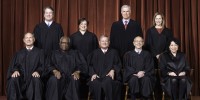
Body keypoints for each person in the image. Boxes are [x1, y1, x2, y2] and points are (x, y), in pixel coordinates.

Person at [6, 32, 44, 100]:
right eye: (26, 38)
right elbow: (14, 65)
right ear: (24, 40)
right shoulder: (19, 53)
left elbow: (43, 65)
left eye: (30, 38)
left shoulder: (40, 52)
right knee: (13, 79)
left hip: (33, 78)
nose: (28, 39)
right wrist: (15, 70)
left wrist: (38, 71)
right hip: (21, 78)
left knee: (37, 80)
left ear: (34, 39)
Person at [145, 12, 173, 100]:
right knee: (154, 77)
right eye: (156, 18)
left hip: (165, 58)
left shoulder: (168, 31)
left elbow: (170, 45)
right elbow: (148, 44)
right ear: (154, 20)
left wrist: (162, 55)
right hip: (152, 58)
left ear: (162, 20)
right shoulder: (150, 31)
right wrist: (156, 55)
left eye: (160, 18)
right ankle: (154, 96)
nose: (158, 20)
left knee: (164, 76)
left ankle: (166, 96)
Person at [70, 18, 98, 99]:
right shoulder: (73, 36)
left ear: (87, 25)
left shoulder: (92, 36)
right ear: (78, 25)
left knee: (88, 81)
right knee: (77, 81)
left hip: (89, 62)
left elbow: (96, 51)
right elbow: (71, 52)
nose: (83, 26)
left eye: (85, 24)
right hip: (77, 64)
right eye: (82, 24)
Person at [87, 35, 122, 100]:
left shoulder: (114, 52)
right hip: (97, 76)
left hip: (109, 77)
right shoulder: (94, 53)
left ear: (109, 42)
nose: (104, 42)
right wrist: (93, 73)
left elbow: (118, 64)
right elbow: (90, 65)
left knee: (108, 82)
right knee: (95, 83)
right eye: (102, 41)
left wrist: (113, 70)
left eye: (106, 41)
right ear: (99, 42)